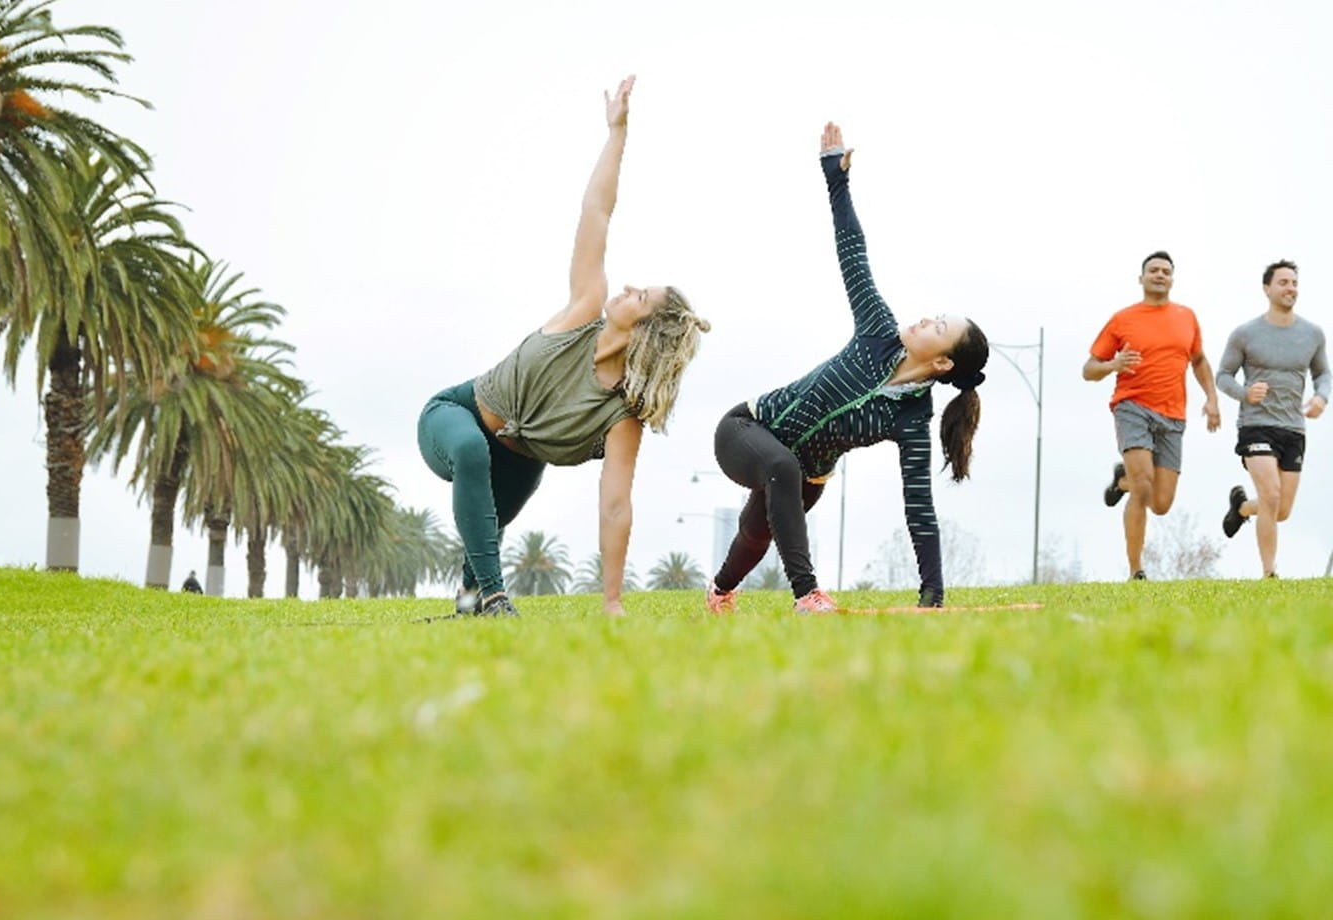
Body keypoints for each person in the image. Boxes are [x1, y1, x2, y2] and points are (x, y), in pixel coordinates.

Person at [416, 77, 710, 618]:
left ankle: (468, 608)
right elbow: (596, 212)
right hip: (456, 416)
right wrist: (617, 133)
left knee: (485, 538)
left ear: (646, 332)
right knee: (473, 451)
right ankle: (497, 599)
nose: (627, 288)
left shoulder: (622, 415)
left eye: (639, 296)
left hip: (518, 465)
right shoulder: (584, 308)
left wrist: (613, 601)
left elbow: (615, 506)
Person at [704, 122, 988, 614]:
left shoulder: (912, 418)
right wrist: (836, 178)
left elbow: (919, 507)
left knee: (755, 533)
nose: (924, 319)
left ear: (942, 362)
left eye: (937, 326)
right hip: (746, 429)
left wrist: (933, 597)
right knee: (781, 466)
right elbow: (852, 252)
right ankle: (807, 596)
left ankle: (720, 593)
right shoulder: (878, 328)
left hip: (804, 477)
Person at [1084, 251, 1221, 580]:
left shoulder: (1186, 317)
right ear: (1141, 278)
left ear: (1172, 279)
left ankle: (1124, 480)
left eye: (1165, 271)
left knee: (1161, 503)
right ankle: (1136, 570)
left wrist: (1212, 399)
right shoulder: (1123, 319)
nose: (1159, 275)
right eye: (1153, 270)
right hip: (1132, 407)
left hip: (1173, 415)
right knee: (1143, 488)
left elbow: (1199, 361)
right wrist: (1113, 364)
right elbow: (1088, 369)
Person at [1217, 259, 1332, 577]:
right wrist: (1245, 393)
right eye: (1283, 282)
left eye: (1294, 283)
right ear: (1267, 288)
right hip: (1255, 425)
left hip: (1293, 427)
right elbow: (1223, 376)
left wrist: (1321, 397)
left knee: (1280, 510)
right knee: (1271, 494)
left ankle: (1242, 508)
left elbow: (1323, 374)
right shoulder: (1245, 334)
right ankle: (1269, 574)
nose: (1290, 288)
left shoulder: (1312, 334)